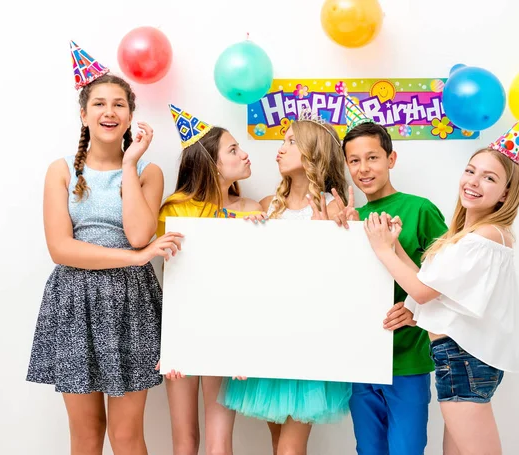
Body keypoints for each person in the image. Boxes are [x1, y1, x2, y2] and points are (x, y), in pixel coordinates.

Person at [26, 42, 182, 455]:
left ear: (130, 115)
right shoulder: (61, 170)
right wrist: (134, 260)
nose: (109, 112)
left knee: (127, 435)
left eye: (119, 104)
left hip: (132, 303)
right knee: (86, 432)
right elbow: (61, 249)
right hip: (74, 301)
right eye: (99, 104)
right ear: (84, 114)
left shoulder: (148, 172)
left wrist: (129, 164)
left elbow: (138, 234)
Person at [363, 113, 519, 455]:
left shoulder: (485, 236)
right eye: (471, 171)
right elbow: (428, 284)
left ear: (505, 193)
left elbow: (423, 291)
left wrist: (383, 250)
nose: (474, 182)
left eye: (489, 178)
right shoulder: (468, 236)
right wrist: (395, 246)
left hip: (462, 360)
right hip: (459, 359)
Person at [219, 110, 351, 455]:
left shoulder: (335, 209)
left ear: (313, 152)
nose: (280, 149)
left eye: (291, 142)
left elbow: (342, 277)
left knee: (290, 448)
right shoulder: (268, 206)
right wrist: (254, 231)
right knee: (278, 442)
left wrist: (331, 235)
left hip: (309, 336)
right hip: (270, 335)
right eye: (282, 142)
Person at [329, 83, 448, 455]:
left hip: (408, 360)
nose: (364, 168)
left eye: (373, 158)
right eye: (354, 160)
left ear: (390, 159)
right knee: (369, 449)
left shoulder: (420, 209)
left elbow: (446, 282)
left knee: (407, 448)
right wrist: (334, 235)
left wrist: (413, 311)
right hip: (361, 358)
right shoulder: (347, 220)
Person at [158, 106, 263, 455]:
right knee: (184, 440)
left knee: (220, 442)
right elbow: (173, 278)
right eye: (233, 150)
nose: (244, 154)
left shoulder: (250, 209)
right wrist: (172, 342)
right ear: (211, 163)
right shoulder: (174, 209)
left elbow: (255, 282)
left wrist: (258, 234)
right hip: (185, 329)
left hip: (227, 330)